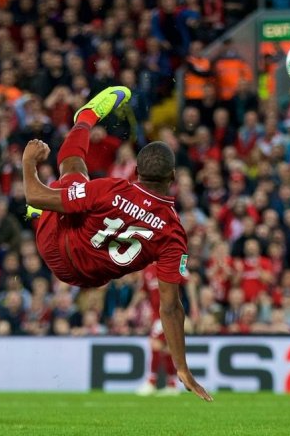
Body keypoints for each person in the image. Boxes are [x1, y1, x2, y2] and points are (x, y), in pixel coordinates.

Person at [21, 86, 212, 402]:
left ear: (136, 171)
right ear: (173, 176)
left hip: (55, 246)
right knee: (69, 187)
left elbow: (33, 194)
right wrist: (182, 368)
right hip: (88, 279)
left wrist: (28, 162)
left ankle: (84, 119)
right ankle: (50, 207)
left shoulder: (111, 189)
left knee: (70, 173)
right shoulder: (173, 233)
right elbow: (170, 307)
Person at [135, 263, 197, 396]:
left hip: (169, 313)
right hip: (155, 315)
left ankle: (152, 382)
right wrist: (131, 307)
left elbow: (189, 281)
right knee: (166, 348)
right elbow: (143, 291)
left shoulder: (174, 263)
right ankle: (172, 384)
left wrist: (193, 306)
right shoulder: (147, 269)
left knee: (156, 344)